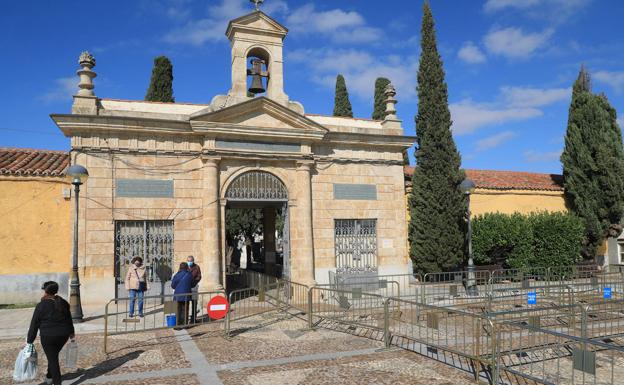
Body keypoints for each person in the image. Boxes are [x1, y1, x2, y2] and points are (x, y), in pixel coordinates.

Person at [27, 281, 75, 385]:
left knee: (53, 359)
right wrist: (72, 333)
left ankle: (57, 382)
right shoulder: (64, 302)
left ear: (46, 291)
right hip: (63, 335)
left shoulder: (41, 305)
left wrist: (30, 340)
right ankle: (49, 376)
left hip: (48, 336)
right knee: (52, 356)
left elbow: (34, 323)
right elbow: (69, 319)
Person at [171, 262, 193, 328]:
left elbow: (173, 285)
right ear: (186, 267)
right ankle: (185, 324)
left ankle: (177, 325)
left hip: (178, 295)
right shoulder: (189, 275)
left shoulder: (176, 275)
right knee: (185, 310)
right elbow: (192, 284)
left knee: (177, 310)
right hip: (187, 294)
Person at [186, 255, 202, 323]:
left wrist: (195, 281)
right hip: (186, 287)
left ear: (193, 261)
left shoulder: (196, 267)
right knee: (186, 304)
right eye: (188, 261)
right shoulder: (185, 267)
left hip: (194, 287)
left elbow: (199, 276)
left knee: (194, 303)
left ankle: (193, 319)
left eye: (191, 261)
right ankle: (185, 319)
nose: (189, 262)